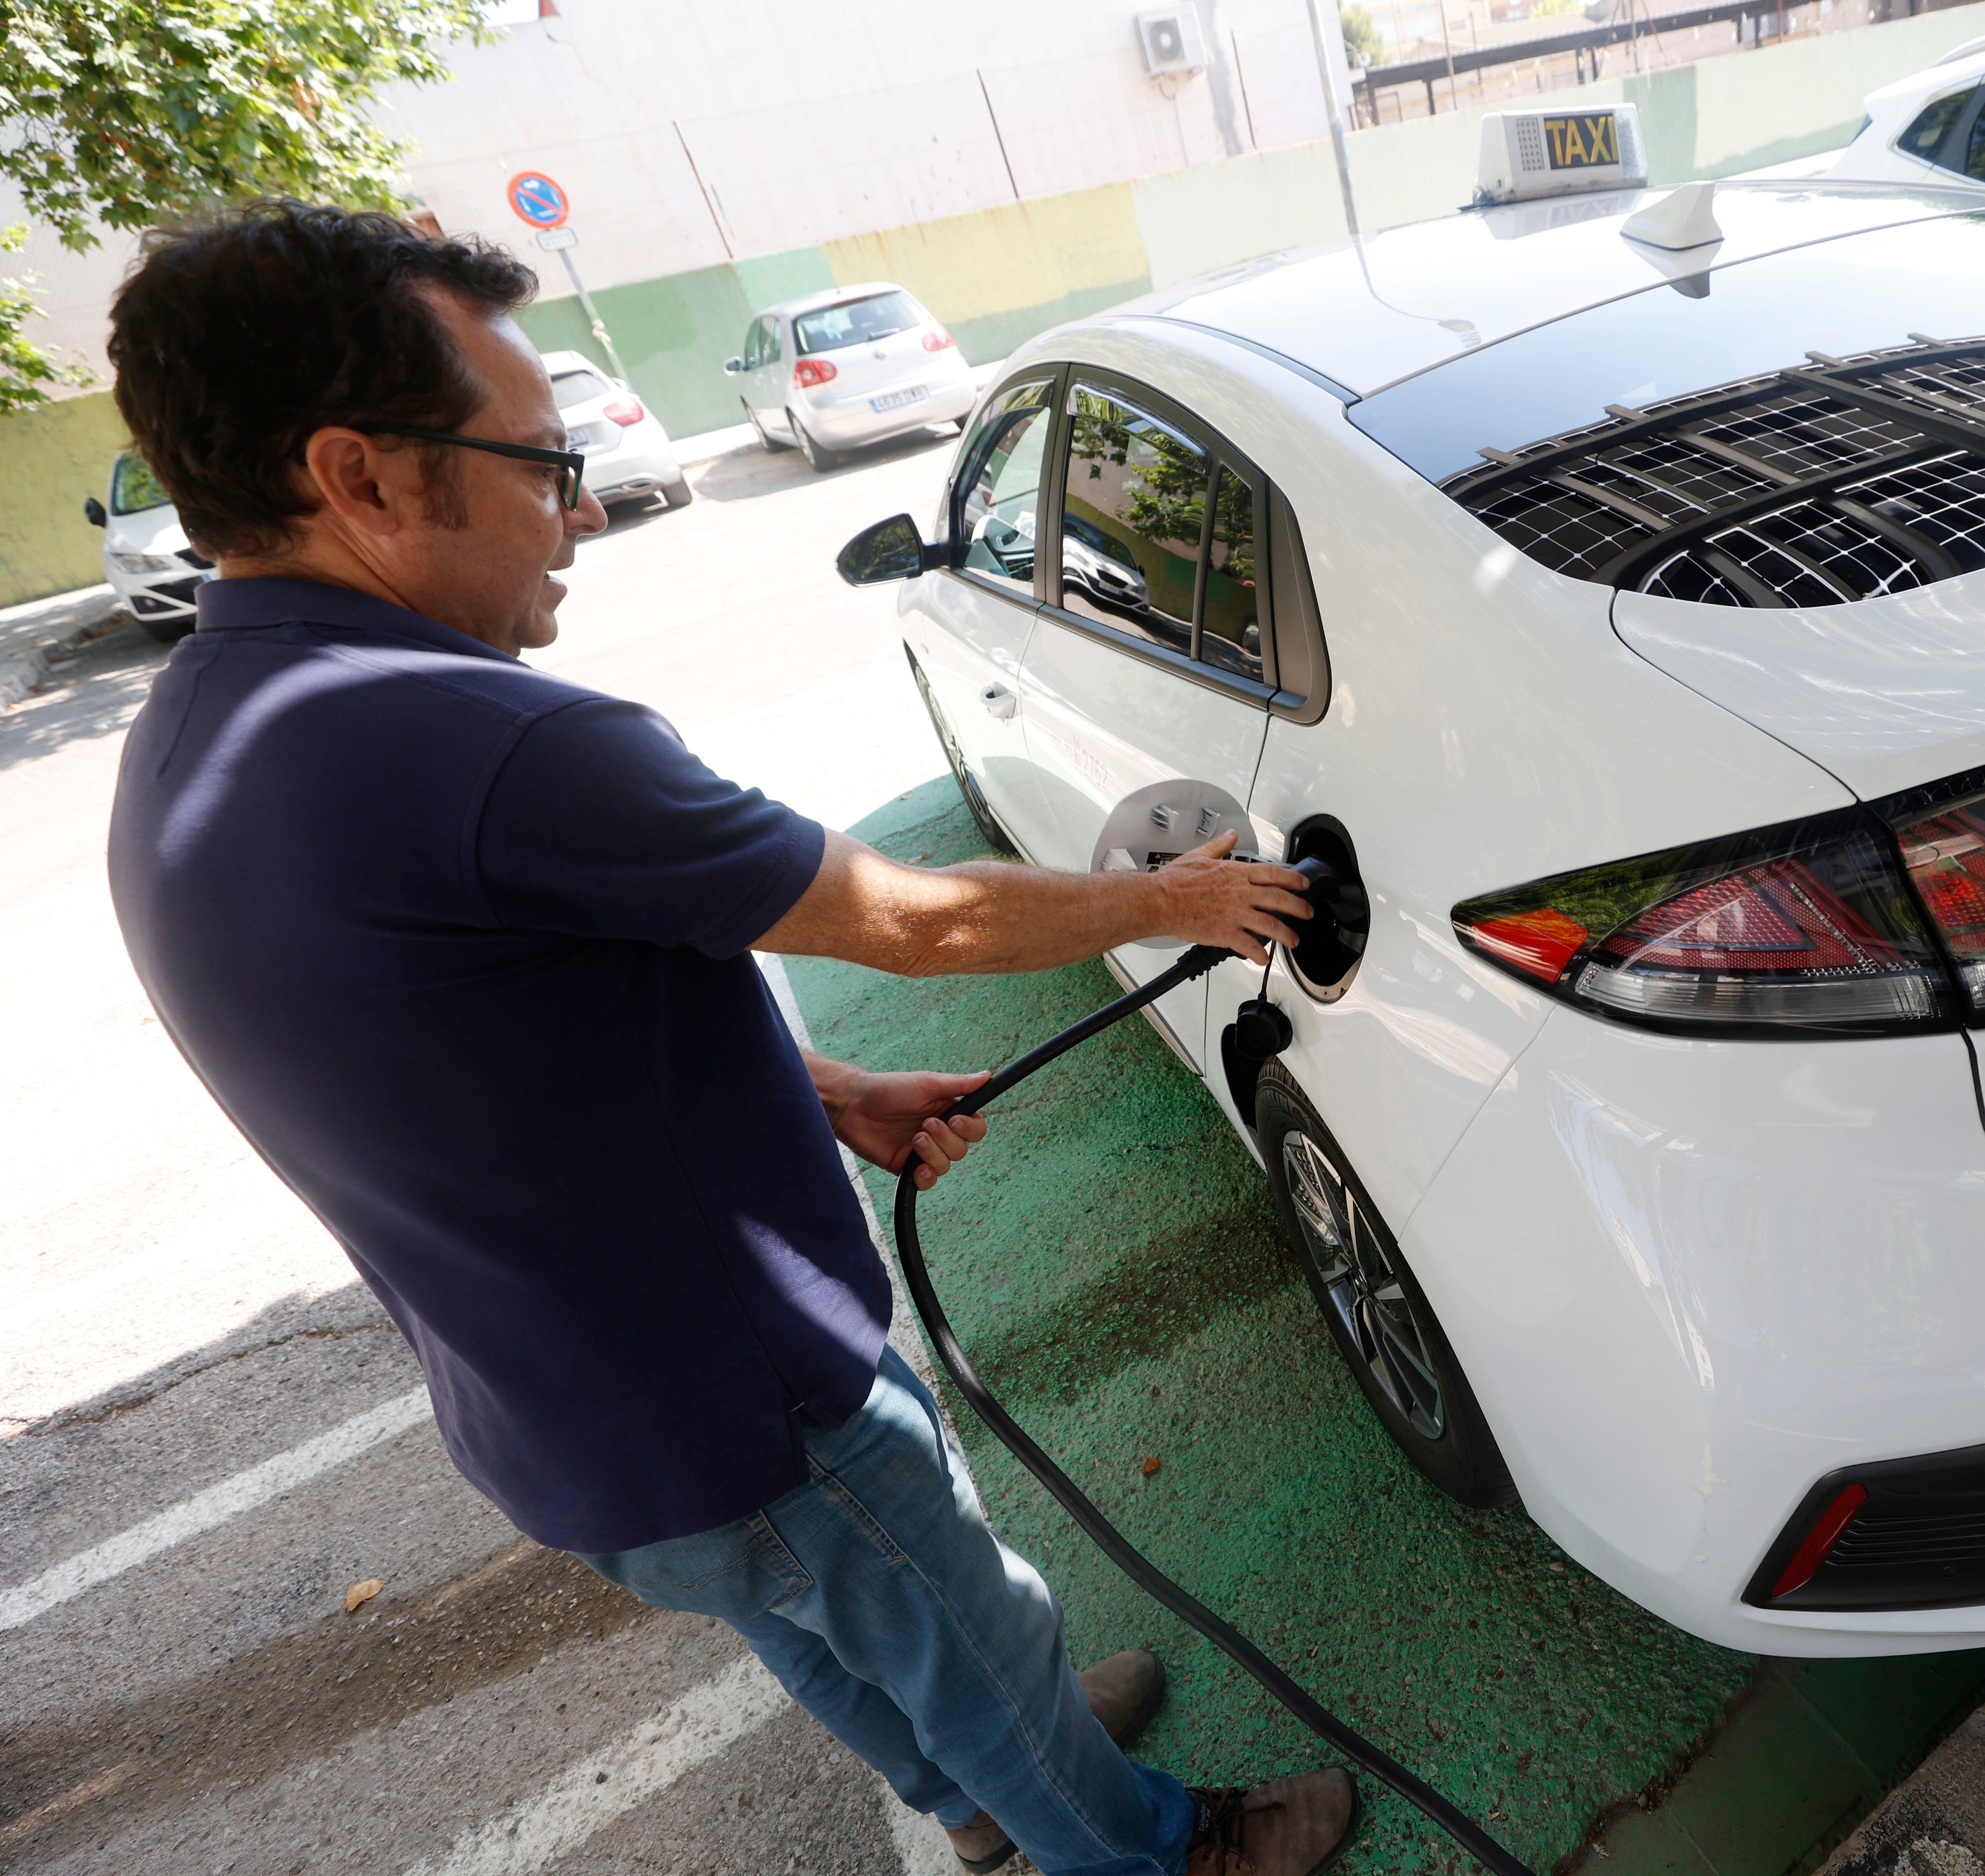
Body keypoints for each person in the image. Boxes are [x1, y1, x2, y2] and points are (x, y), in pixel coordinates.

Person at [102, 200, 1352, 1876]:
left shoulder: (191, 739)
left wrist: (826, 1094)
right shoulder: (482, 745)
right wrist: (1170, 902)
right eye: (542, 462)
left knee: (821, 1631)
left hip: (561, 1424)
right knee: (963, 1624)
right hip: (739, 1402)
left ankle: (988, 1796)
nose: (580, 507)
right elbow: (914, 921)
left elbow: (479, 1047)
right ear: (363, 476)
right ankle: (1146, 1847)